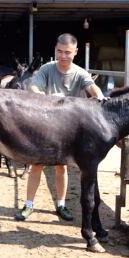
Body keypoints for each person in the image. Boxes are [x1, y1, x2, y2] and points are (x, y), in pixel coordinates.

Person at [15, 33, 106, 222]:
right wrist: (44, 97)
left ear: (75, 52)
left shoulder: (80, 73)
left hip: (66, 131)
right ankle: (29, 205)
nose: (63, 56)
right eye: (59, 52)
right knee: (36, 166)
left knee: (61, 168)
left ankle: (61, 205)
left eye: (67, 52)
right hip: (45, 126)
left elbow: (92, 88)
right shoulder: (47, 69)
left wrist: (100, 96)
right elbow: (33, 88)